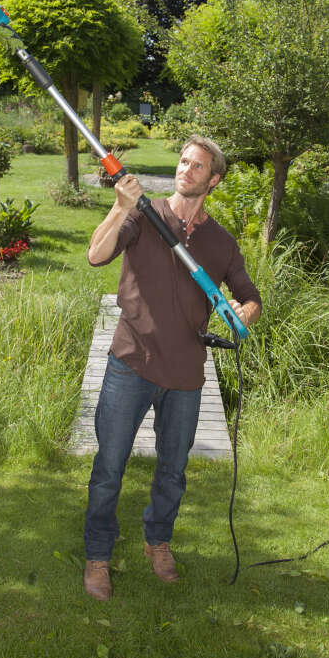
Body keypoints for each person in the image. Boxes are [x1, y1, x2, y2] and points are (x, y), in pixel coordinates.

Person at [83, 135, 261, 600]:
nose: (186, 170)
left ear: (213, 180)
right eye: (183, 161)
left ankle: (157, 542)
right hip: (131, 362)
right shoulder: (145, 214)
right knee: (109, 468)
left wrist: (245, 313)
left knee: (173, 471)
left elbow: (249, 295)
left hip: (185, 373)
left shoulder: (221, 242)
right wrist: (120, 207)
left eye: (197, 165)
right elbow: (96, 255)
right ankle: (98, 555)